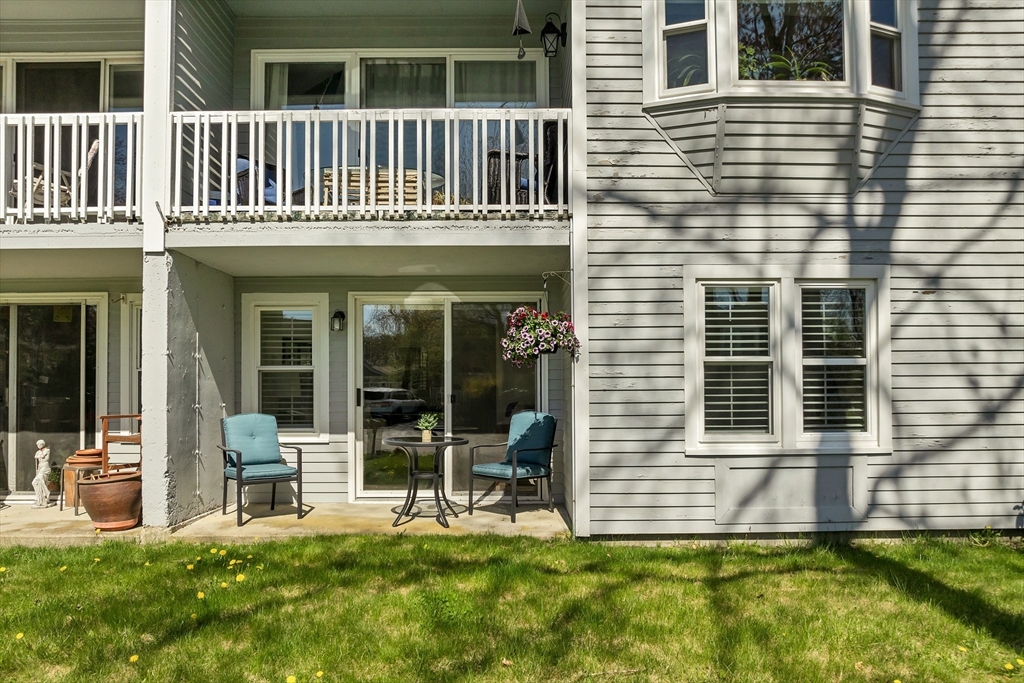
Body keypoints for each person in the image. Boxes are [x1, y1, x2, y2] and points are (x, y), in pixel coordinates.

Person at [31, 440, 53, 508]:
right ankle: (40, 498)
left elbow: (46, 459)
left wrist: (40, 456)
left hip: (45, 467)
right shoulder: (38, 452)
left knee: (40, 480)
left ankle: (46, 494)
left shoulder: (47, 450)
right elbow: (37, 460)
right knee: (35, 482)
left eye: (38, 444)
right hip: (40, 467)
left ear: (42, 444)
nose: (38, 445)